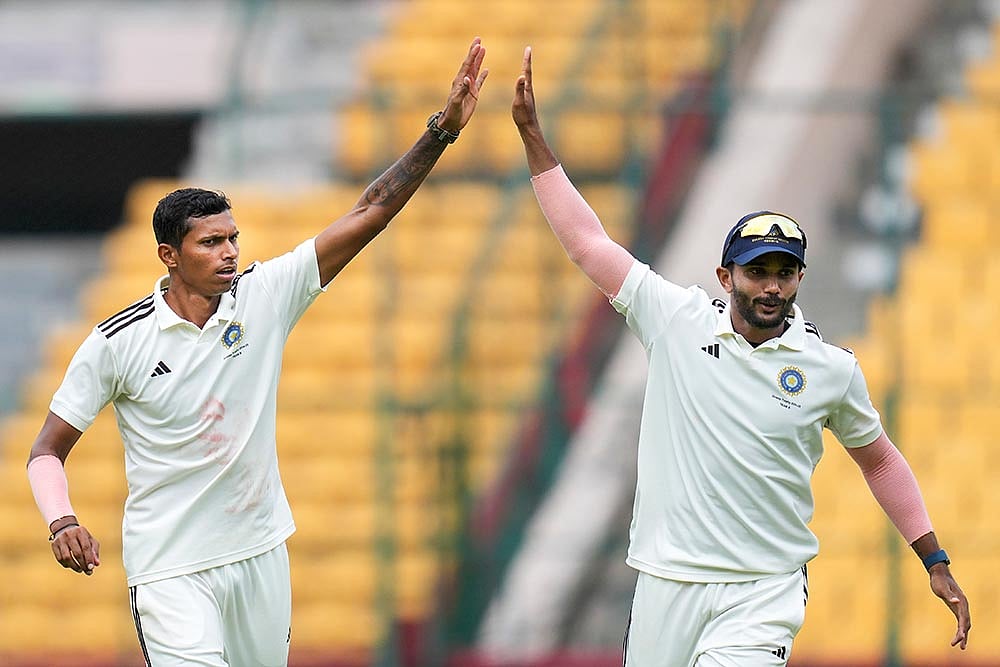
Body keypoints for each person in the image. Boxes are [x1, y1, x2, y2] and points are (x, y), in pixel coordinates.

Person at [25, 37, 488, 666]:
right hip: (170, 569)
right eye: (211, 243)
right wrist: (61, 521)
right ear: (169, 256)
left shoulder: (263, 296)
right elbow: (46, 451)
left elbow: (368, 213)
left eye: (233, 239)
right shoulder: (118, 341)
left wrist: (440, 132)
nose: (229, 253)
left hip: (260, 552)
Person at [511, 46, 971, 665]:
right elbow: (588, 245)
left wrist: (934, 558)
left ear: (800, 280)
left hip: (764, 591)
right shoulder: (674, 321)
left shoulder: (830, 369)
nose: (772, 287)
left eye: (785, 272)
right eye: (758, 272)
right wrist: (534, 139)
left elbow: (880, 463)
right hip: (666, 582)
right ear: (726, 276)